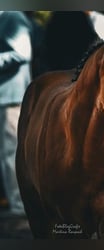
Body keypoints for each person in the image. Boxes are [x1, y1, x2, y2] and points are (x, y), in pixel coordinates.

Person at [0, 11, 32, 216]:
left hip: (11, 97)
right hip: (6, 96)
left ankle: (21, 206)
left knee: (13, 153)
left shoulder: (12, 16)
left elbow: (23, 52)